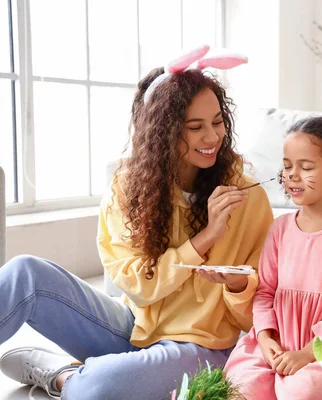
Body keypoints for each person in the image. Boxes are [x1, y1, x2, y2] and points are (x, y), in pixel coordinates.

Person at [0, 46, 273, 399]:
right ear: (165, 130)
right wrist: (204, 239)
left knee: (96, 390)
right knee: (26, 273)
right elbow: (136, 286)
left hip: (202, 347)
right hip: (135, 328)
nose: (212, 137)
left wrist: (238, 286)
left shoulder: (245, 195)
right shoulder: (129, 186)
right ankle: (112, 371)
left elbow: (253, 314)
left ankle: (64, 375)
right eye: (196, 127)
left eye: (218, 121)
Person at [224, 115, 322, 399]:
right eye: (287, 167)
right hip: (276, 341)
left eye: (305, 167)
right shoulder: (279, 228)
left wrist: (307, 353)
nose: (292, 175)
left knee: (302, 392)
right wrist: (266, 339)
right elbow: (265, 291)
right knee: (240, 386)